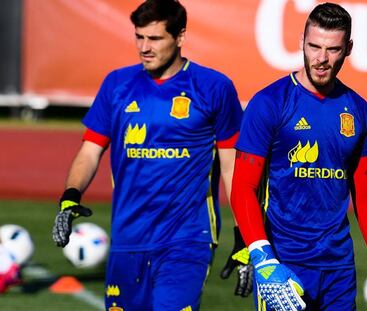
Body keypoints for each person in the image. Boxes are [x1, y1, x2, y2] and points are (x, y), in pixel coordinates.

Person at [52, 0, 251, 310]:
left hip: (186, 239)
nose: (144, 47)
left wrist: (245, 238)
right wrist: (70, 195)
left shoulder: (214, 88)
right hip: (127, 238)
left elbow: (232, 168)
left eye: (155, 38)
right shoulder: (117, 85)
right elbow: (90, 151)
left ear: (180, 37)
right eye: (139, 37)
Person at [230, 2, 367, 311]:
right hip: (285, 266)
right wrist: (263, 258)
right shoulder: (269, 103)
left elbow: (365, 194)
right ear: (302, 41)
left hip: (339, 269)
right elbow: (244, 188)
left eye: (332, 49)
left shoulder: (357, 108)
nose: (321, 59)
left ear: (348, 48)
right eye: (314, 46)